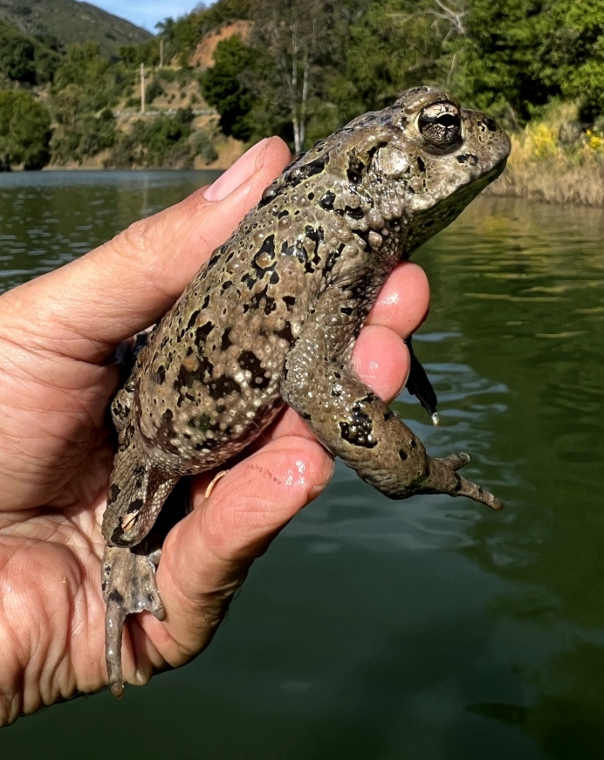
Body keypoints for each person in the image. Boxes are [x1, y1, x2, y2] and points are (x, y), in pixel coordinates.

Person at [0, 137, 430, 726]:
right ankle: (121, 567)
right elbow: (311, 379)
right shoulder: (341, 228)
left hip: (216, 373)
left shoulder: (350, 237)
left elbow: (335, 326)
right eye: (438, 130)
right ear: (386, 163)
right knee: (128, 524)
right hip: (161, 431)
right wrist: (415, 470)